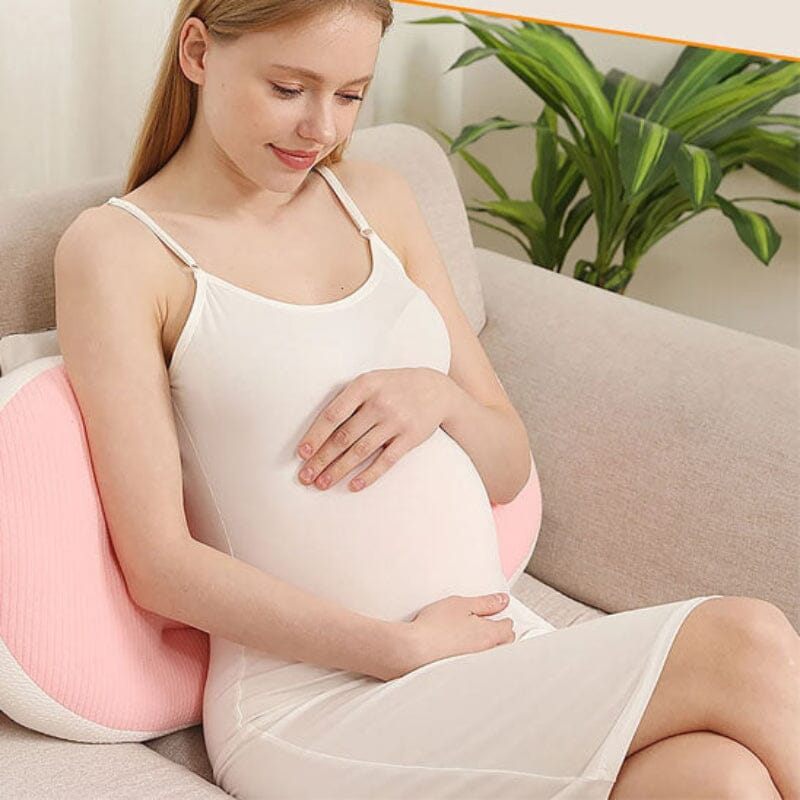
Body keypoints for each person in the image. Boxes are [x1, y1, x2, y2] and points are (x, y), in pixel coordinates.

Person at [54, 1, 800, 798]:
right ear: (197, 52)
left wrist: (438, 394)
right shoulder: (120, 251)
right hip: (317, 704)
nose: (319, 128)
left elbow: (508, 466)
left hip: (489, 654)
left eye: (349, 96)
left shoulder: (375, 200)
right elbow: (160, 566)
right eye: (288, 87)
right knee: (745, 640)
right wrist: (394, 648)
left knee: (720, 778)